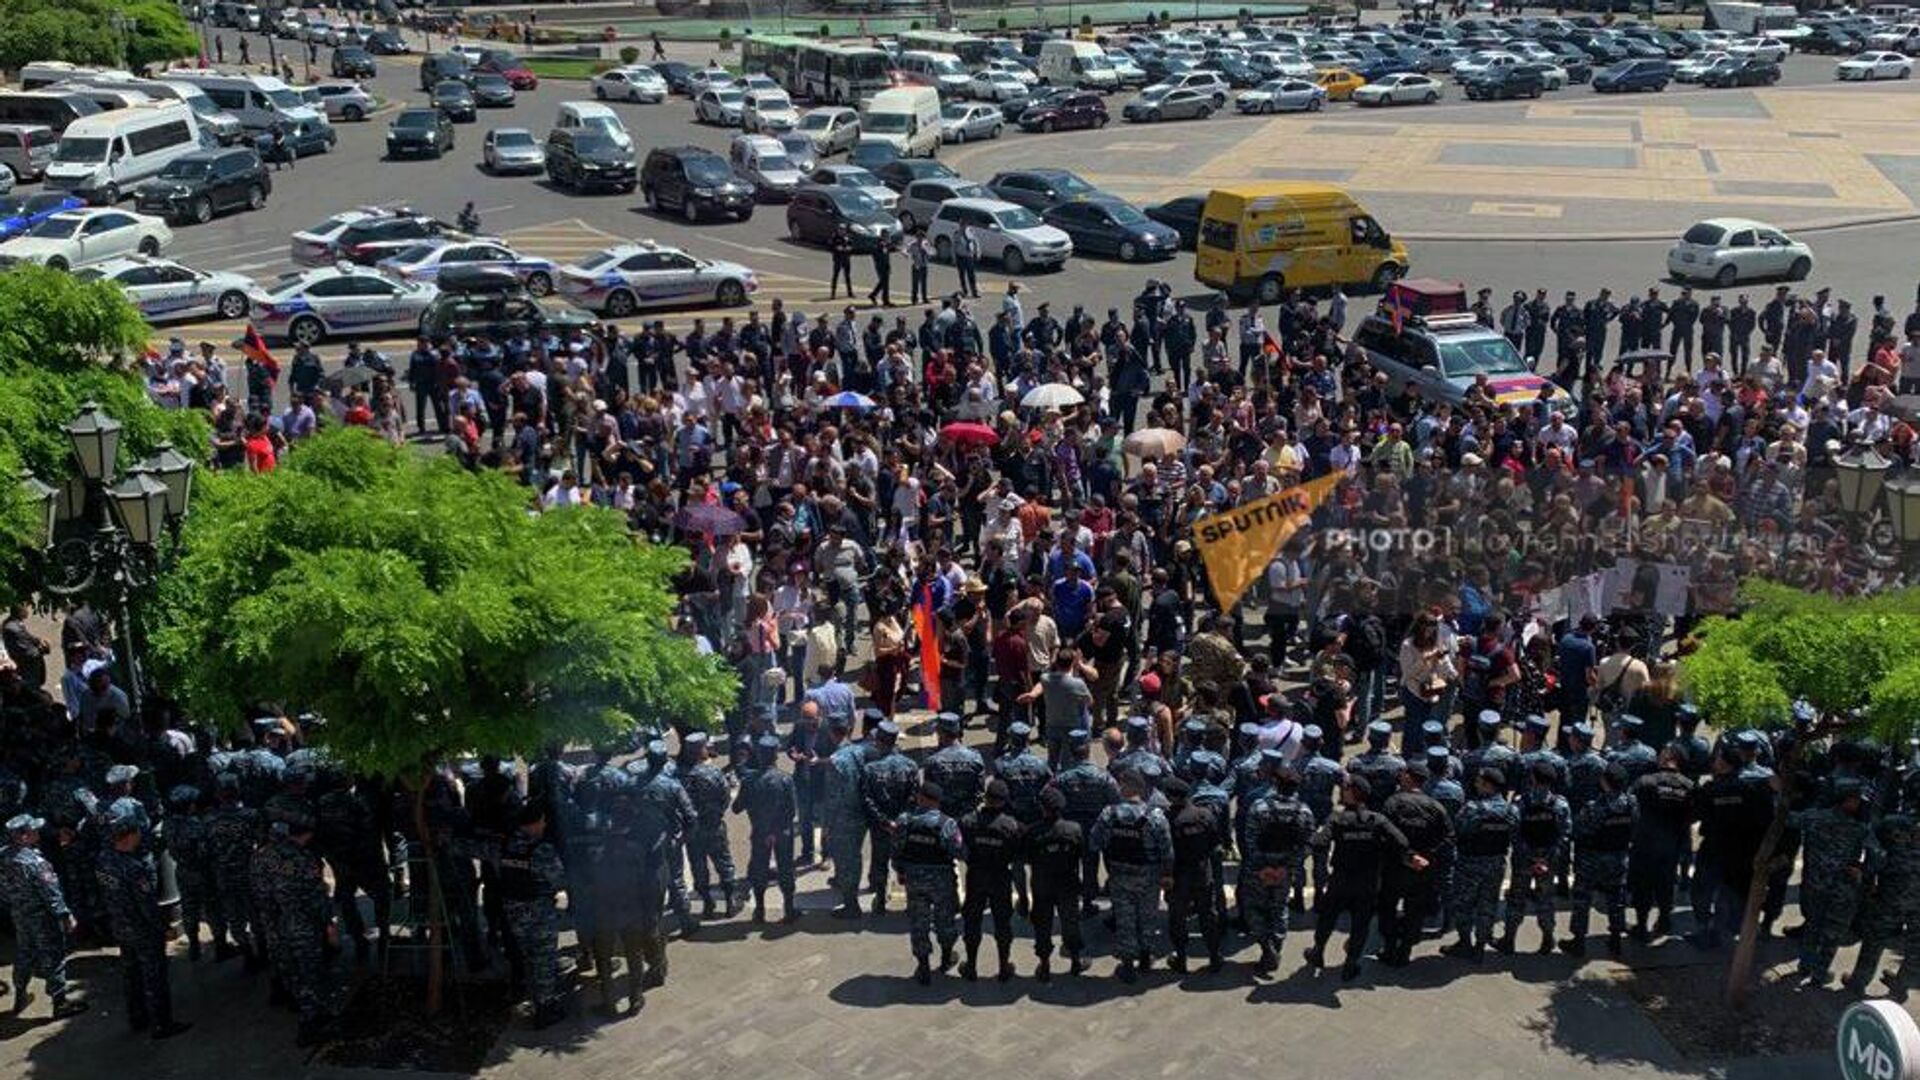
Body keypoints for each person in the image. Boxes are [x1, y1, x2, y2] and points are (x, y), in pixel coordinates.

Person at [96, 813, 191, 1039]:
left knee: (131, 974)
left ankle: (137, 1018)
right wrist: (163, 927)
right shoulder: (134, 868)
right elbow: (147, 906)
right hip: (142, 931)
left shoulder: (103, 860)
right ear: (129, 836)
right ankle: (162, 1024)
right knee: (154, 976)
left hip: (120, 927)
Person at [0, 814, 88, 1019]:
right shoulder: (36, 862)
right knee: (54, 956)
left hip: (19, 914)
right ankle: (60, 1002)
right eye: (33, 831)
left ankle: (20, 993)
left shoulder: (3, 856)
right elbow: (51, 893)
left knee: (24, 953)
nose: (37, 833)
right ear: (22, 836)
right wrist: (65, 916)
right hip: (43, 917)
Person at [1091, 768, 1172, 982]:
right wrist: (1167, 874)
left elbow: (1094, 842)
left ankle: (1127, 965)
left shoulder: (1109, 814)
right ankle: (1146, 957)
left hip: (1120, 874)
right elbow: (1167, 850)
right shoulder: (1155, 816)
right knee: (1148, 916)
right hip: (1148, 875)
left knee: (1125, 919)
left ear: (1128, 787)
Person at [1238, 755, 1315, 975]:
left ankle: (1266, 947)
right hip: (1285, 869)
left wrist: (1262, 867)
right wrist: (1286, 867)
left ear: (1275, 782)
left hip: (1258, 869)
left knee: (1254, 908)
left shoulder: (1259, 807)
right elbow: (1307, 845)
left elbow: (1249, 841)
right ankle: (1275, 946)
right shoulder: (1304, 811)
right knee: (1279, 909)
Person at [496, 802, 569, 1028]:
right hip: (539, 911)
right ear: (535, 823)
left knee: (528, 957)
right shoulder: (541, 849)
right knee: (544, 960)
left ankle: (536, 999)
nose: (545, 824)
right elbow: (559, 880)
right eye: (543, 820)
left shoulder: (506, 844)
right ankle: (545, 1009)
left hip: (513, 911)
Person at [1377, 762, 1453, 968]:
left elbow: (1383, 835)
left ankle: (1390, 946)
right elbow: (1448, 837)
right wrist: (1427, 856)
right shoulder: (1436, 807)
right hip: (1423, 869)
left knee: (1388, 906)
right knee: (1415, 910)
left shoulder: (1393, 803)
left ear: (1409, 778)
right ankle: (1405, 951)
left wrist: (1405, 856)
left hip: (1395, 866)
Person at [893, 781, 964, 985]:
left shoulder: (905, 821)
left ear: (922, 798)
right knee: (945, 920)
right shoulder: (947, 823)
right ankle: (946, 957)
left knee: (919, 922)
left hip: (914, 880)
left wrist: (900, 870)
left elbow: (897, 849)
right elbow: (958, 852)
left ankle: (923, 965)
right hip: (942, 880)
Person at [1444, 767, 1517, 963]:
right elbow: (1514, 836)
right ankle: (1480, 946)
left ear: (1488, 785)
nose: (1476, 784)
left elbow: (1457, 831)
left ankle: (1465, 943)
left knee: (1463, 904)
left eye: (1479, 781)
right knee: (1488, 905)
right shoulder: (1511, 810)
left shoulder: (1472, 809)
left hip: (1470, 864)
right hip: (1496, 864)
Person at [1563, 764, 1635, 959]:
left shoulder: (1595, 807)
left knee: (1582, 900)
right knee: (1616, 900)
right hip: (1618, 858)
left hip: (1592, 860)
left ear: (1605, 782)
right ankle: (1615, 939)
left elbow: (1578, 832)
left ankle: (1578, 942)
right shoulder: (1631, 804)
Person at [958, 779, 1022, 981]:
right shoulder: (1011, 826)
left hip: (976, 875)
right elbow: (1017, 855)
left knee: (972, 920)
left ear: (985, 797)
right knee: (1002, 922)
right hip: (1000, 876)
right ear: (1004, 801)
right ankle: (1004, 967)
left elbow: (960, 849)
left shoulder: (968, 821)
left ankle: (971, 966)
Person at [1161, 777, 1223, 974]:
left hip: (1179, 876)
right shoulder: (1205, 815)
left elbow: (1165, 850)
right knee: (1207, 916)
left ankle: (1181, 958)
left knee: (1177, 918)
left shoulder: (1168, 819)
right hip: (1202, 872)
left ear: (1171, 797)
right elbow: (1215, 844)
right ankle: (1214, 956)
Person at [734, 734, 799, 923]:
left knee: (759, 869)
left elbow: (736, 808)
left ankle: (760, 910)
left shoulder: (749, 781)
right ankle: (789, 909)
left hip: (760, 831)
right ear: (775, 756)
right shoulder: (785, 780)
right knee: (786, 869)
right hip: (782, 832)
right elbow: (791, 811)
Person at [1025, 786, 1086, 980]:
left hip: (1042, 884)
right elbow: (1081, 854)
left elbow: (1026, 857)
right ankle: (1076, 961)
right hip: (1067, 882)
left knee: (1042, 924)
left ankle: (1044, 965)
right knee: (1070, 922)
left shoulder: (1033, 832)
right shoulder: (1074, 829)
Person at [679, 732, 738, 919]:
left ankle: (707, 903)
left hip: (693, 830)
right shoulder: (714, 773)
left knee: (698, 867)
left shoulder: (680, 776)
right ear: (701, 750)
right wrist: (717, 813)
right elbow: (725, 797)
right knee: (724, 863)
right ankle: (730, 901)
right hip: (714, 826)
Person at [867, 234, 894, 307]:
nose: (888, 239)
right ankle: (885, 301)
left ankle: (873, 295)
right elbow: (878, 256)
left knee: (883, 283)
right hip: (881, 267)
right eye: (887, 238)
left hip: (885, 266)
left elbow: (887, 255)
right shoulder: (879, 246)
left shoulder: (885, 246)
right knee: (885, 284)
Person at [955, 225, 981, 299]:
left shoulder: (971, 231)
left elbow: (976, 242)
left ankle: (974, 292)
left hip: (969, 256)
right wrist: (954, 257)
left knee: (972, 275)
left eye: (965, 224)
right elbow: (954, 245)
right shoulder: (957, 233)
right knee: (962, 275)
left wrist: (977, 252)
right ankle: (965, 291)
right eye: (962, 224)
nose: (963, 226)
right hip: (961, 257)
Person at [829, 226, 855, 299]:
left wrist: (849, 248)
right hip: (838, 259)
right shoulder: (835, 238)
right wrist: (836, 248)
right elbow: (830, 246)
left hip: (846, 258)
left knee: (847, 276)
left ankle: (850, 292)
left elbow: (852, 245)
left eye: (843, 230)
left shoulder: (847, 237)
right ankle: (833, 293)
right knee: (836, 276)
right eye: (840, 230)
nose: (842, 232)